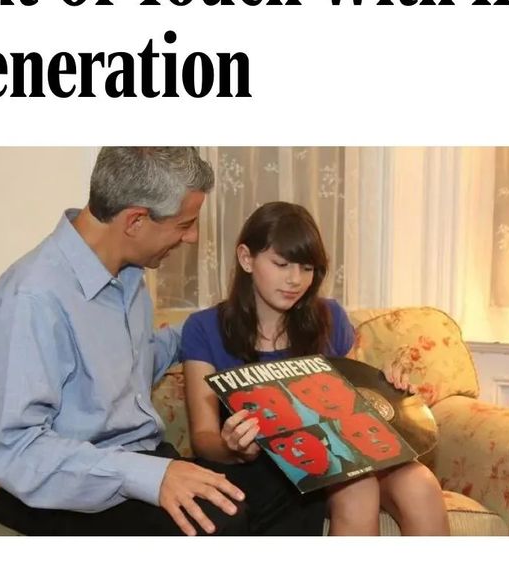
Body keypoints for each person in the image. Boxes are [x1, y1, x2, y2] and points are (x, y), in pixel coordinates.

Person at [0, 148, 323, 537]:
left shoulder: (127, 280)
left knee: (297, 487)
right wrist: (149, 474)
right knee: (218, 522)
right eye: (185, 224)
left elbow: (132, 360)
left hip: (136, 462)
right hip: (65, 488)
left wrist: (231, 322)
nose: (191, 238)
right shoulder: (33, 297)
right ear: (136, 220)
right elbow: (16, 451)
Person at [181, 201, 450, 535]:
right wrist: (232, 447)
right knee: (359, 486)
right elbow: (203, 437)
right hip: (266, 468)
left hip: (343, 456)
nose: (295, 280)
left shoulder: (330, 318)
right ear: (246, 258)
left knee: (421, 483)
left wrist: (389, 395)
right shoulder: (204, 328)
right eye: (281, 264)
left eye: (306, 268)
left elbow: (357, 409)